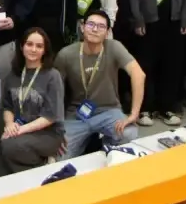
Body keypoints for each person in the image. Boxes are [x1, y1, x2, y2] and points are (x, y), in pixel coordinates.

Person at [54, 10, 145, 158]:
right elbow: (55, 92)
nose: (95, 29)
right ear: (82, 27)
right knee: (60, 156)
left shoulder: (114, 47)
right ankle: (91, 143)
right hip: (76, 114)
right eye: (91, 24)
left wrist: (134, 114)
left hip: (108, 111)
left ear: (107, 32)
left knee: (129, 133)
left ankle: (105, 147)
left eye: (101, 26)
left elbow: (138, 74)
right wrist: (56, 126)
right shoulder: (66, 54)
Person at [0, 28, 65, 175]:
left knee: (10, 147)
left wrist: (18, 131)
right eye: (29, 44)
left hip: (47, 134)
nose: (33, 49)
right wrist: (9, 125)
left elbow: (50, 117)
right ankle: (40, 169)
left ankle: (43, 170)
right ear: (21, 46)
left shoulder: (52, 75)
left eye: (39, 46)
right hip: (19, 130)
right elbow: (7, 106)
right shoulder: (13, 75)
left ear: (45, 50)